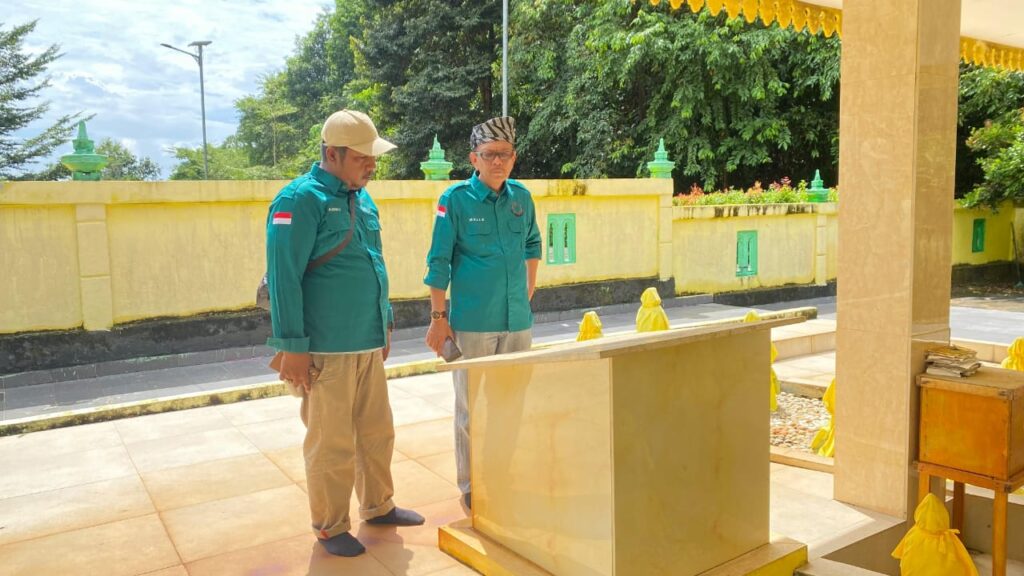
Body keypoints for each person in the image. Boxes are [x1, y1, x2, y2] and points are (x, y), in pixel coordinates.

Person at [265, 109, 424, 557]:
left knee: (377, 432)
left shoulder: (363, 198)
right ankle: (330, 526)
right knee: (330, 442)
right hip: (324, 347)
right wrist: (292, 347)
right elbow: (284, 277)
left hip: (366, 340)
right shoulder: (299, 200)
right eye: (361, 158)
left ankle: (378, 505)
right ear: (331, 154)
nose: (371, 166)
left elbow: (373, 262)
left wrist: (384, 321)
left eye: (373, 158)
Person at [423, 116, 542, 509]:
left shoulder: (521, 199)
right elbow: (438, 262)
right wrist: (439, 319)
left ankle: (502, 476)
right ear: (473, 158)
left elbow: (532, 246)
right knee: (470, 411)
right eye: (489, 154)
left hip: (516, 325)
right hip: (472, 324)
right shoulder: (454, 201)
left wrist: (526, 294)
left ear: (514, 157)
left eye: (505, 154)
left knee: (511, 406)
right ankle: (471, 487)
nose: (498, 162)